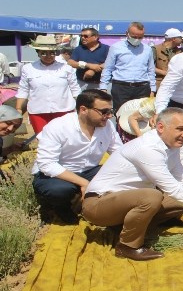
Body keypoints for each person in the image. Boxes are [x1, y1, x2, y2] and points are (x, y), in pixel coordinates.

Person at [82, 108, 183, 261]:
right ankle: (127, 246)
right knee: (152, 197)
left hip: (123, 201)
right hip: (98, 204)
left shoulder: (171, 145)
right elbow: (173, 188)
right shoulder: (148, 148)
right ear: (161, 127)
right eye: (180, 129)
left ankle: (123, 227)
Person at [32, 89, 122, 223]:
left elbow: (119, 152)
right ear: (84, 109)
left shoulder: (107, 126)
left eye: (111, 111)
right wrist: (85, 183)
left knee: (121, 174)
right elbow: (47, 164)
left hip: (89, 170)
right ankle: (61, 208)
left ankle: (97, 206)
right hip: (57, 174)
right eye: (104, 112)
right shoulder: (58, 126)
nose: (109, 116)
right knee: (59, 190)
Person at [15, 35, 81, 134]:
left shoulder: (66, 68)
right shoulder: (28, 69)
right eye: (44, 53)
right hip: (38, 112)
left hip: (64, 110)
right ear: (38, 53)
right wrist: (18, 109)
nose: (48, 56)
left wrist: (82, 106)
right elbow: (23, 90)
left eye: (52, 53)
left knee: (65, 138)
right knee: (43, 140)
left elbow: (75, 89)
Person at [100, 22, 156, 110]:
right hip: (121, 87)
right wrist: (103, 87)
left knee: (141, 116)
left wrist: (152, 89)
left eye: (140, 37)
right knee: (120, 115)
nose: (137, 39)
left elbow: (151, 70)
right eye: (134, 37)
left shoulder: (147, 49)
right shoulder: (116, 47)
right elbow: (108, 68)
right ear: (127, 34)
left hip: (142, 88)